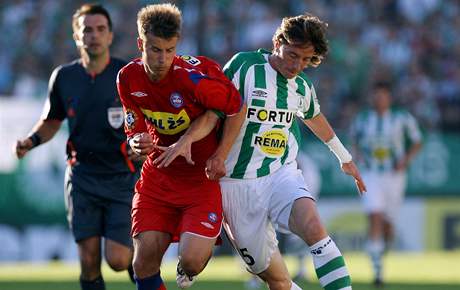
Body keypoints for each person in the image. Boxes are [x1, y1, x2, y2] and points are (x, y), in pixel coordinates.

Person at [220, 13, 367, 290]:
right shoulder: (244, 66)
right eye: (292, 55)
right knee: (277, 280)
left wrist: (344, 158)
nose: (297, 64)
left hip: (279, 174)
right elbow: (214, 109)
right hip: (234, 183)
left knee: (314, 227)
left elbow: (314, 116)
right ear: (277, 42)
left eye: (305, 59)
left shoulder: (301, 86)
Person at [116, 3, 245, 290]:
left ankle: (190, 265)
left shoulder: (193, 78)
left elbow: (236, 108)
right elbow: (133, 130)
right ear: (141, 44)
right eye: (155, 49)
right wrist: (137, 142)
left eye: (169, 50)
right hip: (158, 178)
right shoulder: (127, 78)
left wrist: (218, 154)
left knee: (191, 261)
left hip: (200, 180)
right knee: (143, 265)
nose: (163, 59)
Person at [14, 4, 140, 290]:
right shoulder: (63, 77)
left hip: (122, 176)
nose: (94, 35)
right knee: (88, 261)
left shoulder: (128, 74)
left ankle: (142, 268)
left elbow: (148, 120)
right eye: (87, 30)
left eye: (100, 30)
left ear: (110, 35)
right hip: (82, 177)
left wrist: (143, 144)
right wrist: (30, 142)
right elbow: (51, 120)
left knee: (118, 259)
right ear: (76, 35)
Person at [350, 82, 422, 287]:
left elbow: (417, 140)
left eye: (383, 96)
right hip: (371, 174)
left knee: (388, 225)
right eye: (376, 96)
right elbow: (353, 140)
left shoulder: (402, 117)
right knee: (375, 216)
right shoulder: (363, 119)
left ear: (389, 98)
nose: (379, 100)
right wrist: (357, 157)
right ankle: (377, 270)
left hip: (394, 177)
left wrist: (405, 160)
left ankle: (381, 251)